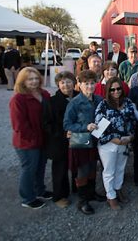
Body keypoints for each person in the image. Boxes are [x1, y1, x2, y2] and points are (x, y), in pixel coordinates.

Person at [95, 76, 138, 210]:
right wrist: (114, 139)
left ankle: (118, 188)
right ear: (108, 91)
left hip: (125, 142)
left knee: (121, 168)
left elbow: (134, 121)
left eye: (118, 88)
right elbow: (98, 129)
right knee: (109, 171)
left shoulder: (128, 103)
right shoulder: (103, 105)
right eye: (112, 89)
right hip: (109, 144)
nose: (116, 92)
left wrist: (131, 137)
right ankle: (111, 196)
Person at [9, 67, 53, 209]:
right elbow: (19, 125)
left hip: (42, 139)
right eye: (30, 79)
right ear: (22, 81)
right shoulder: (18, 99)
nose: (34, 81)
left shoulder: (44, 94)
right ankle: (27, 198)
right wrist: (34, 139)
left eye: (36, 78)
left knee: (40, 167)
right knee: (29, 169)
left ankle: (40, 190)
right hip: (27, 142)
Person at [63, 70, 105, 215]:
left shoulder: (99, 99)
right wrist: (85, 127)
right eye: (86, 83)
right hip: (80, 141)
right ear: (79, 84)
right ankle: (82, 201)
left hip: (95, 140)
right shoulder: (74, 103)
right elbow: (67, 124)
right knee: (83, 170)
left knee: (93, 167)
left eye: (92, 83)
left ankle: (91, 193)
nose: (89, 86)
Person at [45, 71, 79, 208]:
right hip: (60, 140)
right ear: (58, 84)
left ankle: (78, 189)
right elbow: (47, 123)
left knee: (78, 165)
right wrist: (64, 133)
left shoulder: (79, 97)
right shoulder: (52, 102)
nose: (66, 85)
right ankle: (59, 195)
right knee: (60, 169)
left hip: (78, 138)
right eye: (62, 82)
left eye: (69, 81)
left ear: (74, 83)